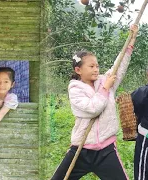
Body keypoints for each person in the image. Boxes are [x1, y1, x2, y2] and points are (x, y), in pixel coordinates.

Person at [51, 25, 138, 180]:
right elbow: (93, 108)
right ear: (78, 70)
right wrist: (105, 89)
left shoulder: (104, 81)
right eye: (91, 66)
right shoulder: (75, 89)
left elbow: (119, 66)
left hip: (106, 150)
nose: (96, 69)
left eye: (97, 66)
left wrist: (131, 41)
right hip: (81, 150)